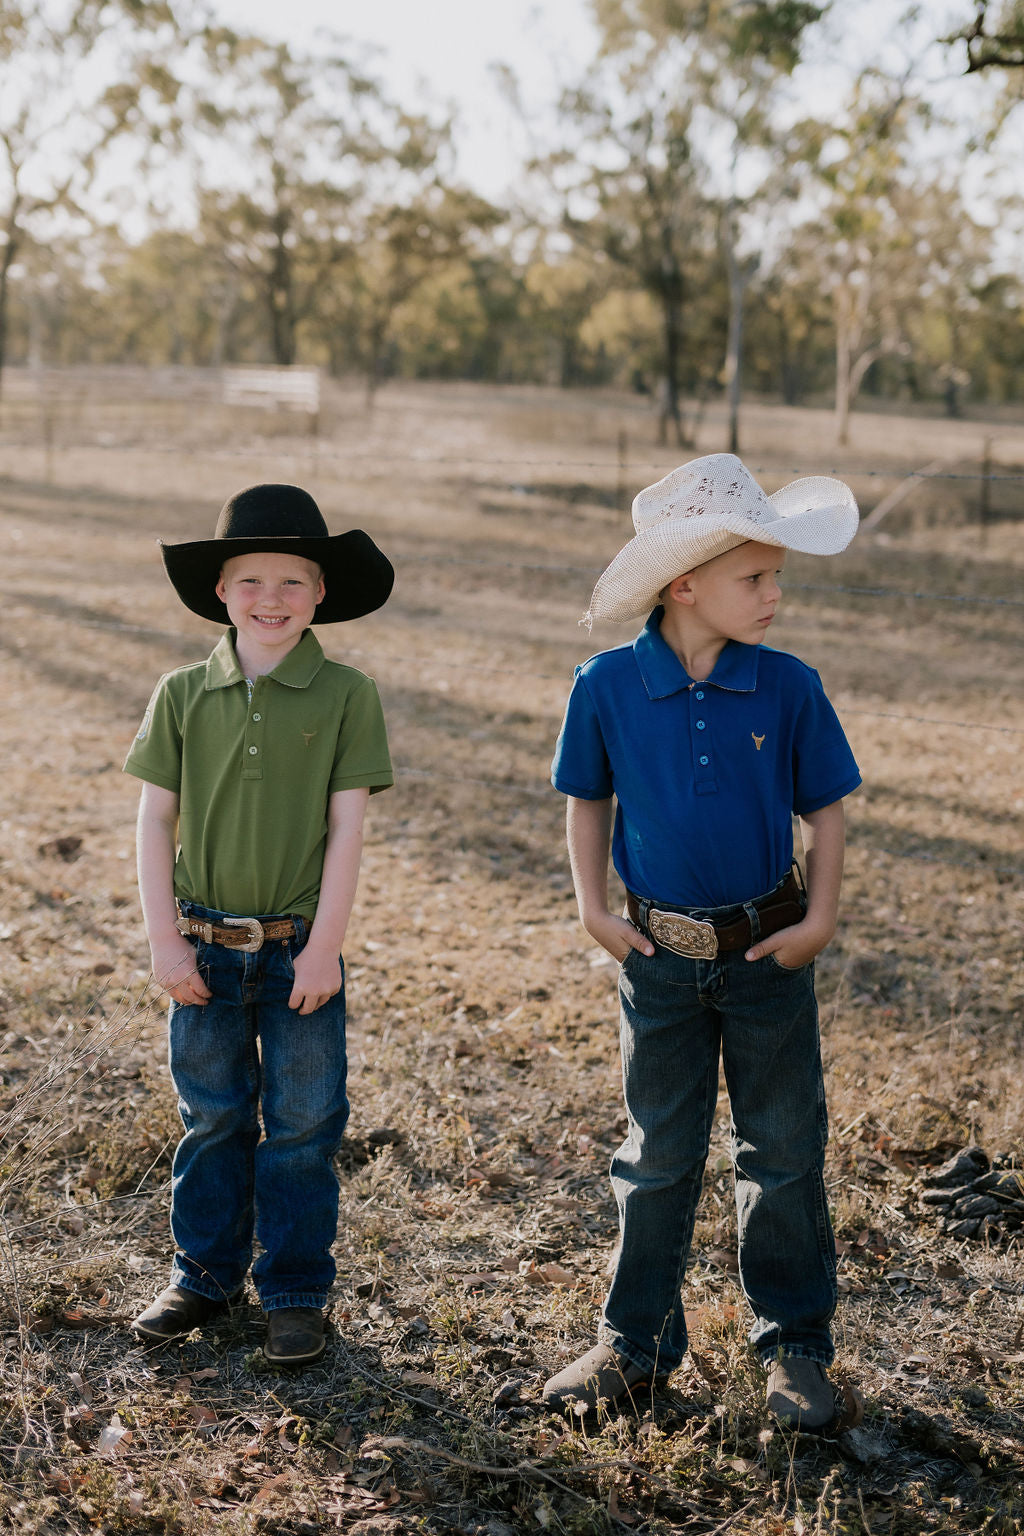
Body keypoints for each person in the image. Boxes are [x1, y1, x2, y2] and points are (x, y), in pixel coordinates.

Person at [545, 453, 864, 1433]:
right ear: (685, 585)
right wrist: (593, 908)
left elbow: (828, 812)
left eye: (777, 578)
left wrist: (819, 919)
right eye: (754, 579)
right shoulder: (605, 687)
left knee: (782, 1150)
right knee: (657, 1153)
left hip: (769, 951)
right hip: (660, 962)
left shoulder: (788, 687)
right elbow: (585, 802)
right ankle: (632, 1342)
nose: (773, 597)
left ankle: (795, 1347)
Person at [124, 483, 394, 1366]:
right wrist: (164, 938)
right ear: (219, 593)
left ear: (321, 594)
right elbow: (153, 821)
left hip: (296, 953)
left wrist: (324, 948)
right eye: (250, 580)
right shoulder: (180, 693)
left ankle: (294, 1291)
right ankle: (202, 1277)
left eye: (291, 581)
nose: (270, 599)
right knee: (212, 1118)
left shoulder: (347, 693)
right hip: (201, 945)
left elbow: (349, 826)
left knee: (306, 1124)